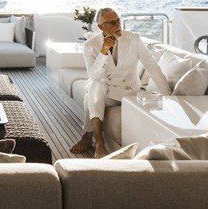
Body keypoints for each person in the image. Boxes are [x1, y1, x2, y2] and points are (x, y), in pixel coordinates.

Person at [70, 8, 171, 158]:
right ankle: (100, 142)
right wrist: (104, 52)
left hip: (130, 92)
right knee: (95, 86)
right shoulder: (90, 45)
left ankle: (87, 135)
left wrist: (169, 97)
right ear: (100, 27)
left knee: (89, 97)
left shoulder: (133, 39)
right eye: (112, 23)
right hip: (107, 92)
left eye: (118, 20)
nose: (118, 25)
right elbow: (94, 76)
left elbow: (152, 66)